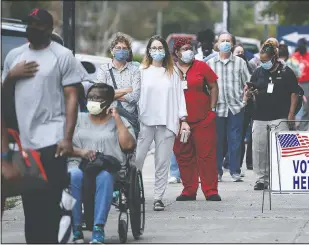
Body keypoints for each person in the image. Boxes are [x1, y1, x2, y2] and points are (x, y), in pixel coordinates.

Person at [1, 8, 82, 243]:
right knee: (31, 205)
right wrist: (11, 76)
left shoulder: (62, 55)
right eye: (29, 24)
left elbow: (72, 98)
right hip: (25, 143)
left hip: (52, 140)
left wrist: (67, 137)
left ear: (48, 28)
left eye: (37, 25)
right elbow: (4, 99)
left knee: (52, 202)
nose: (31, 29)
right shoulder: (14, 56)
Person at [68, 83, 136, 244]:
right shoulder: (77, 119)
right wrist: (81, 152)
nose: (93, 101)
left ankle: (98, 228)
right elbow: (63, 144)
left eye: (98, 98)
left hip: (106, 167)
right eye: (90, 97)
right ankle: (76, 227)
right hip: (78, 163)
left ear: (108, 101)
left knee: (104, 177)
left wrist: (117, 119)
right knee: (74, 175)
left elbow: (128, 146)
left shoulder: (120, 121)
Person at [134, 35, 190, 211]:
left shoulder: (173, 72)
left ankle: (158, 197)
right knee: (137, 160)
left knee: (162, 162)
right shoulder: (141, 71)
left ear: (165, 50)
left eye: (160, 48)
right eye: (154, 48)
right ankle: (133, 193)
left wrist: (184, 120)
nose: (157, 51)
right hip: (145, 122)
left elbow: (180, 97)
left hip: (167, 122)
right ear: (149, 51)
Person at [246, 40, 300, 190]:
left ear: (274, 57)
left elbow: (294, 93)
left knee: (282, 148)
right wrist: (251, 93)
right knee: (259, 149)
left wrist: (291, 114)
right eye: (261, 61)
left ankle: (282, 176)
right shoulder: (258, 72)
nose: (263, 63)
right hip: (260, 116)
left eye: (266, 60)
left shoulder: (286, 71)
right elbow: (251, 88)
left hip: (280, 115)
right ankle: (261, 179)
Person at [172, 37, 222, 201]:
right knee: (184, 155)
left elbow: (213, 86)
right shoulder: (171, 70)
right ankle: (189, 190)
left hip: (203, 119)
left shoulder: (201, 66)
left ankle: (210, 190)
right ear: (177, 52)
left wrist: (212, 109)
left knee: (206, 156)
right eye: (184, 48)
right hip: (180, 121)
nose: (188, 51)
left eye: (190, 48)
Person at [206, 31, 251, 182]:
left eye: (228, 41)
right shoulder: (210, 64)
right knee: (217, 141)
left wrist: (244, 101)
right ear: (217, 44)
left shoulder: (240, 62)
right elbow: (205, 86)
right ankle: (217, 171)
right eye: (222, 40)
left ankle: (235, 171)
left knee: (235, 140)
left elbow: (248, 83)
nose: (225, 43)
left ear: (232, 44)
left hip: (235, 107)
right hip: (217, 107)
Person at [97, 32, 141, 136]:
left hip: (129, 120)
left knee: (129, 150)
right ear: (112, 51)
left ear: (129, 51)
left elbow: (135, 96)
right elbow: (100, 95)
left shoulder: (135, 70)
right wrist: (127, 90)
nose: (121, 50)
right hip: (108, 118)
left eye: (124, 48)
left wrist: (110, 95)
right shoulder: (104, 69)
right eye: (118, 48)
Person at [290, 38, 309, 131]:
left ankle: (303, 127)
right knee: (293, 105)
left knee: (306, 106)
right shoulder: (293, 57)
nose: (301, 48)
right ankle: (293, 126)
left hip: (307, 83)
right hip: (295, 83)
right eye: (299, 46)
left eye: (302, 46)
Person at [233, 43, 254, 172]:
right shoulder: (230, 68)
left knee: (251, 134)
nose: (240, 54)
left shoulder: (249, 67)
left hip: (249, 104)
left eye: (242, 52)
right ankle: (235, 163)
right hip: (236, 105)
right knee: (238, 135)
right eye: (237, 52)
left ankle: (250, 162)